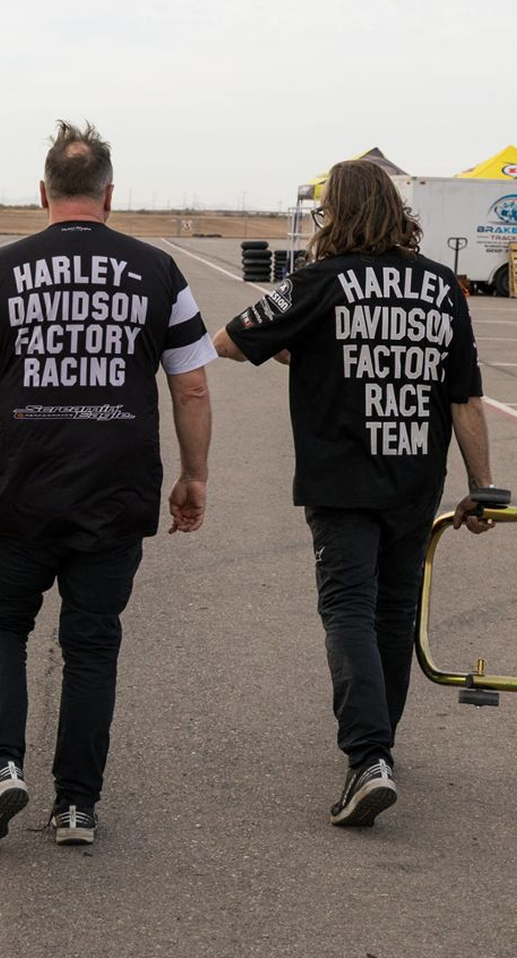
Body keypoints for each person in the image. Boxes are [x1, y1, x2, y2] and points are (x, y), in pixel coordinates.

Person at [0, 121, 215, 846]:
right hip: (116, 493)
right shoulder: (159, 273)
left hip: (22, 489)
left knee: (0, 624)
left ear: (43, 193)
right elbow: (191, 390)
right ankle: (76, 806)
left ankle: (0, 768)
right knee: (92, 644)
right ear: (110, 195)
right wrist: (194, 477)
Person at [209, 159, 498, 828]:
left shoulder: (316, 283)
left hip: (341, 480)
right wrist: (483, 489)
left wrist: (300, 347)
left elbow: (228, 341)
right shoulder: (440, 288)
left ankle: (368, 757)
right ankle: (380, 746)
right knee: (392, 614)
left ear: (336, 213)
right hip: (414, 480)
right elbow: (466, 399)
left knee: (346, 609)